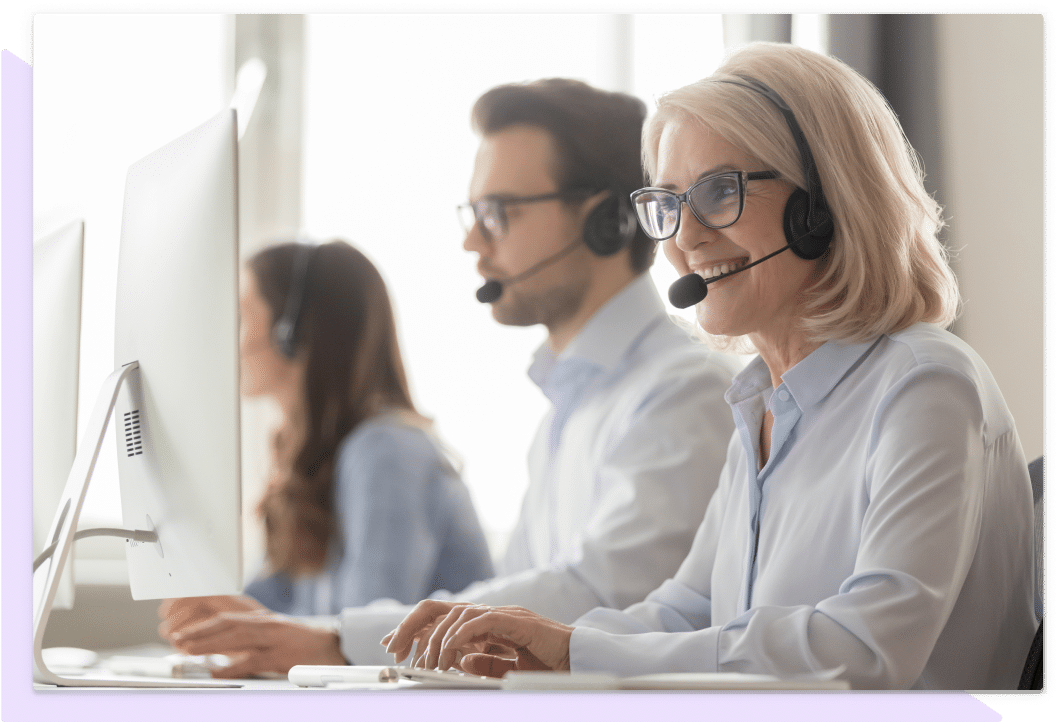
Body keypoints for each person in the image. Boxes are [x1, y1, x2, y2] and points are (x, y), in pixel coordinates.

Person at [383, 44, 1037, 691]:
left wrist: (578, 652)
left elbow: (864, 648)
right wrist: (538, 645)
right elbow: (686, 611)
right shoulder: (762, 403)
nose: (684, 236)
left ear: (822, 204)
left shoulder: (924, 385)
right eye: (667, 202)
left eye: (718, 191)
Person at [159, 79, 739, 677]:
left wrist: (338, 639)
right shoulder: (568, 409)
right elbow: (512, 595)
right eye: (474, 213)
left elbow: (598, 592)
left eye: (498, 213)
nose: (471, 241)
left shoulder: (682, 392)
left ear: (607, 222)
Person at [158, 241, 494, 668]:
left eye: (243, 315)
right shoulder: (316, 459)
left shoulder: (385, 451)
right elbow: (281, 613)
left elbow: (372, 639)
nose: (231, 337)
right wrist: (222, 617)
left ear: (292, 331)